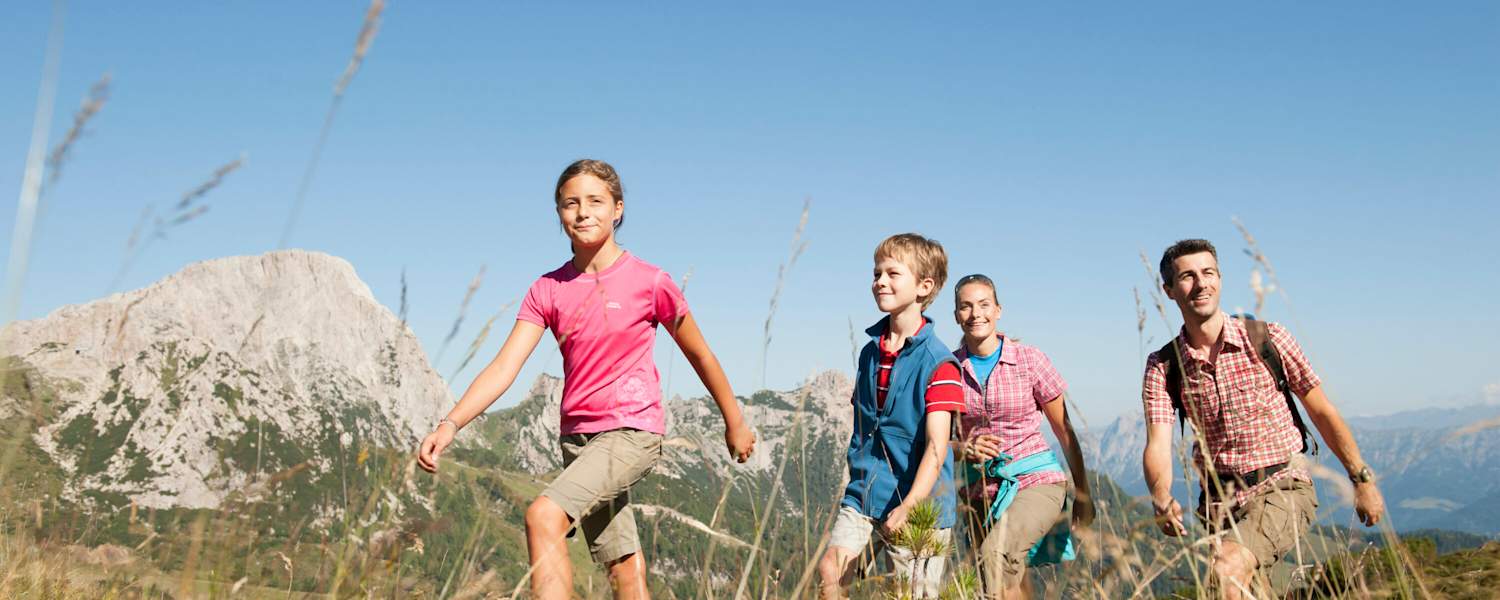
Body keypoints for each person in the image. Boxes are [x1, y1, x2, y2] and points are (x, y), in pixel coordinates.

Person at [415, 159, 756, 600]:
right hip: (576, 439)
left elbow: (699, 352)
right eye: (570, 203)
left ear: (617, 209)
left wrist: (735, 421)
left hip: (632, 431)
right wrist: (450, 423)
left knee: (543, 516)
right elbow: (504, 367)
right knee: (623, 567)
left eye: (595, 201)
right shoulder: (548, 288)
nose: (582, 212)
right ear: (558, 214)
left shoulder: (650, 282)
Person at [1141, 239, 1385, 599]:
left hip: (1283, 485)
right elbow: (1158, 443)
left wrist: (1361, 478)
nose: (1201, 283)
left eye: (1208, 273)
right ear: (1169, 290)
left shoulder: (1268, 339)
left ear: (1220, 279)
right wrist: (1161, 496)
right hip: (1218, 504)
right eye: (1188, 277)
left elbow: (1321, 410)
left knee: (1226, 568)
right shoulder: (1164, 366)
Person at [818, 233, 965, 600]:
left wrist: (910, 505)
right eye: (876, 273)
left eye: (892, 273)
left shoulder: (939, 363)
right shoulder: (869, 353)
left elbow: (936, 447)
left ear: (923, 286)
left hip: (919, 505)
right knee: (830, 574)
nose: (879, 281)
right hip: (865, 494)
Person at [949, 274, 1093, 599]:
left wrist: (1083, 494)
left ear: (998, 310)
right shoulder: (948, 369)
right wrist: (963, 448)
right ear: (957, 315)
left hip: (1035, 479)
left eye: (984, 304)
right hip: (979, 492)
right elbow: (936, 442)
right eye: (966, 307)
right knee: (1009, 581)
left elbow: (1064, 431)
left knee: (995, 558)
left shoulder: (1029, 359)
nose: (976, 314)